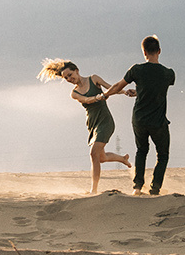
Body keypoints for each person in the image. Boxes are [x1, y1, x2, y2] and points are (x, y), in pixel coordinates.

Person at [40, 59, 133, 193]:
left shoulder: (93, 79)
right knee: (101, 157)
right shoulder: (74, 93)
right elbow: (86, 100)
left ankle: (93, 190)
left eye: (70, 75)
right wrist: (99, 97)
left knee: (93, 153)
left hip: (105, 121)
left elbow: (111, 88)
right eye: (66, 78)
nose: (69, 78)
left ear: (76, 71)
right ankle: (122, 159)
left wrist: (124, 92)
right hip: (92, 124)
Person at [103, 35, 174, 195]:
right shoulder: (168, 73)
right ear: (159, 51)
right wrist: (141, 91)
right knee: (163, 154)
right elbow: (157, 89)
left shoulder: (136, 69)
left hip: (139, 119)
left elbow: (118, 86)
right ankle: (155, 188)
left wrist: (104, 95)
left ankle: (137, 187)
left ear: (144, 52)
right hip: (158, 121)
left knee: (141, 150)